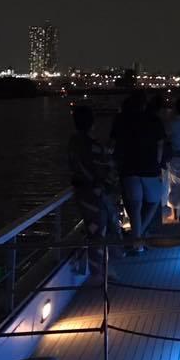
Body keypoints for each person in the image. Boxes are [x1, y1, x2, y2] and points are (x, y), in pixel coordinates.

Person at [110, 91, 165, 254]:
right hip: (149, 168)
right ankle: (138, 238)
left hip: (128, 168)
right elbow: (160, 144)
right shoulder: (154, 120)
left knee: (134, 207)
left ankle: (137, 240)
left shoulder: (120, 120)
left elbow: (113, 144)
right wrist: (157, 162)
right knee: (153, 202)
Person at [68, 104, 118, 277]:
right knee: (100, 231)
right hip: (96, 194)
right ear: (92, 123)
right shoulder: (93, 145)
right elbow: (108, 165)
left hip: (81, 193)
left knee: (94, 230)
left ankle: (98, 269)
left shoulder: (73, 142)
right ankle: (100, 273)